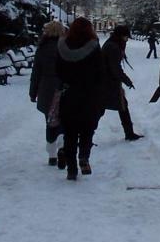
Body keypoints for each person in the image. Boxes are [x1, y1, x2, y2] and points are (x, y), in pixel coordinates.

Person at [55, 17, 105, 180]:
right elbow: (100, 72)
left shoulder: (62, 47)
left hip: (69, 94)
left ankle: (71, 169)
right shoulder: (94, 47)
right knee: (87, 130)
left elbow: (58, 71)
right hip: (89, 95)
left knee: (69, 133)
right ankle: (84, 157)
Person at [29, 20, 65, 165]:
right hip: (63, 87)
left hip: (46, 89)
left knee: (50, 122)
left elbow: (36, 73)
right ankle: (63, 145)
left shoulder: (42, 49)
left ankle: (51, 154)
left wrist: (33, 92)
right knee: (63, 119)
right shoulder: (65, 47)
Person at [102, 24, 143, 141]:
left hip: (107, 80)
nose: (127, 39)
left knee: (120, 106)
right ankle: (129, 133)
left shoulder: (112, 44)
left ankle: (129, 132)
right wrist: (126, 80)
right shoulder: (113, 47)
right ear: (121, 36)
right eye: (126, 37)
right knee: (118, 106)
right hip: (108, 81)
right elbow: (115, 68)